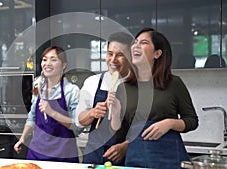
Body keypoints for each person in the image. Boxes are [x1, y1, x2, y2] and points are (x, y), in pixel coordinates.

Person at [114, 28, 199, 169]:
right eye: (135, 43)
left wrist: (170, 123)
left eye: (143, 42)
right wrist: (115, 115)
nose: (136, 46)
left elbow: (192, 120)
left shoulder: (174, 83)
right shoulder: (124, 88)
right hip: (137, 157)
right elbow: (121, 134)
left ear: (157, 53)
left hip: (169, 157)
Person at [14, 46, 81, 162]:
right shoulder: (38, 86)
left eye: (53, 59)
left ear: (64, 65)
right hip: (37, 152)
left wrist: (52, 112)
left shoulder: (71, 91)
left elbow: (77, 126)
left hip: (63, 155)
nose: (47, 63)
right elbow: (32, 117)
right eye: (45, 60)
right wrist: (23, 138)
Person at [76, 31, 134, 165]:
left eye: (120, 55)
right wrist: (92, 113)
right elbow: (79, 120)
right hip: (94, 154)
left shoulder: (138, 87)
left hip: (125, 156)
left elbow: (143, 127)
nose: (113, 60)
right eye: (110, 53)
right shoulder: (93, 82)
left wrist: (126, 145)